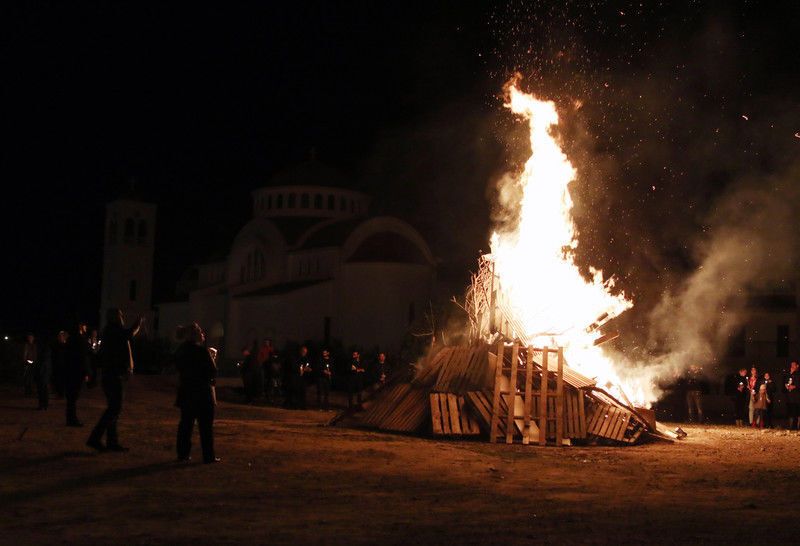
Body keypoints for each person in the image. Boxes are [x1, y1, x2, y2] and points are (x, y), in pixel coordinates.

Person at [86, 309, 142, 453]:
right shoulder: (113, 330)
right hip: (113, 376)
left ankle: (112, 442)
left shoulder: (112, 330)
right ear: (114, 317)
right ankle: (95, 438)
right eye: (120, 314)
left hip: (112, 375)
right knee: (114, 409)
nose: (122, 316)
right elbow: (128, 334)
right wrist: (138, 322)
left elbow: (126, 336)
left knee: (114, 409)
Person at [175, 323, 219, 464]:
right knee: (205, 427)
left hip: (187, 391)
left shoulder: (181, 350)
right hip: (202, 393)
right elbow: (212, 372)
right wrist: (212, 357)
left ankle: (183, 454)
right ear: (195, 335)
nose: (203, 334)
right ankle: (208, 456)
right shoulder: (202, 351)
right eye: (200, 331)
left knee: (186, 425)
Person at [64, 323, 90, 426]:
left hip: (70, 371)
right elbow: (83, 358)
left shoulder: (70, 339)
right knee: (73, 397)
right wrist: (86, 372)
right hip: (76, 372)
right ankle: (72, 420)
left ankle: (70, 418)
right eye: (83, 328)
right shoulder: (80, 340)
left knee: (71, 398)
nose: (85, 329)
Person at [51, 330, 69, 398]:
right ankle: (59, 393)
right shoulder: (56, 345)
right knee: (58, 380)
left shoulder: (66, 345)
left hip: (64, 365)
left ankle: (62, 393)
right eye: (59, 336)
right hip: (57, 365)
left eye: (62, 336)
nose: (60, 337)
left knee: (63, 380)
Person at [784, 361, 800, 430]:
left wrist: (795, 387)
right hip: (790, 397)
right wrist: (786, 386)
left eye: (794, 365)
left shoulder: (798, 374)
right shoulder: (789, 374)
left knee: (797, 412)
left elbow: (797, 384)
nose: (792, 366)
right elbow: (786, 382)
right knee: (790, 412)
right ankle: (791, 426)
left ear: (797, 366)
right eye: (791, 365)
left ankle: (796, 427)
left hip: (797, 397)